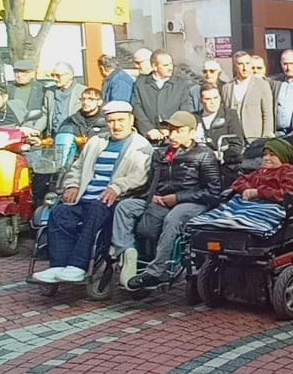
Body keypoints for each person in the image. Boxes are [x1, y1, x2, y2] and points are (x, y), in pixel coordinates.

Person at [32, 102, 153, 284]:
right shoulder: (96, 142)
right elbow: (77, 167)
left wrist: (116, 187)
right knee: (59, 212)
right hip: (84, 198)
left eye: (121, 120)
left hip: (113, 200)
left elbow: (140, 175)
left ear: (131, 120)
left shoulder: (140, 146)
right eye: (111, 121)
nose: (116, 126)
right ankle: (58, 265)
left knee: (96, 210)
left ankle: (78, 266)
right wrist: (72, 185)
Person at [112, 111, 224, 289]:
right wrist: (152, 196)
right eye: (171, 130)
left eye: (179, 131)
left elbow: (213, 192)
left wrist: (178, 198)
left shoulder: (204, 154)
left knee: (174, 217)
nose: (172, 135)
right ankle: (127, 253)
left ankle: (157, 271)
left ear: (192, 132)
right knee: (125, 206)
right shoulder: (161, 153)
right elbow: (151, 183)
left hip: (193, 202)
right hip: (162, 200)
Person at [190, 137, 293, 235]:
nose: (266, 158)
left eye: (272, 155)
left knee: (246, 215)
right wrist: (247, 189)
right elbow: (239, 182)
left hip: (271, 205)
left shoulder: (286, 171)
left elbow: (290, 193)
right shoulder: (261, 171)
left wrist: (259, 192)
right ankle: (224, 221)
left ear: (284, 157)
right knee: (228, 207)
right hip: (249, 203)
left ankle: (238, 221)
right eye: (264, 155)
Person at [132, 50, 194, 140]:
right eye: (165, 65)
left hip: (173, 136)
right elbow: (137, 108)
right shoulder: (140, 84)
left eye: (171, 64)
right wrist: (149, 129)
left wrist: (172, 128)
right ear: (154, 66)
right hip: (148, 136)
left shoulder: (180, 84)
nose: (170, 68)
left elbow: (184, 109)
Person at [222, 50, 275, 146]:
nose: (244, 67)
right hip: (234, 139)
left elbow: (267, 114)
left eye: (247, 63)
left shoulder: (262, 85)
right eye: (240, 64)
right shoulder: (227, 87)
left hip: (255, 138)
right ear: (235, 66)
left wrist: (266, 138)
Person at [38, 63, 84, 136]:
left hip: (74, 134)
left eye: (58, 76)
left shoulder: (82, 92)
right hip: (53, 134)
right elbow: (45, 114)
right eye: (53, 75)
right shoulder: (50, 92)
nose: (55, 79)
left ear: (70, 75)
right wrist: (37, 129)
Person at [196, 82, 237, 157]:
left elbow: (236, 144)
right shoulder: (195, 118)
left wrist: (220, 156)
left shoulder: (230, 115)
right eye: (208, 99)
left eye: (215, 98)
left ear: (220, 98)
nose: (212, 102)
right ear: (201, 101)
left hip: (222, 161)